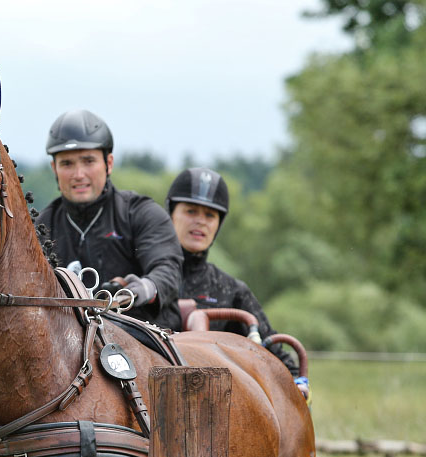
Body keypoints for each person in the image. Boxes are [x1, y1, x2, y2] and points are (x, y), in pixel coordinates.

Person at [35, 109, 183, 330]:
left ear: (109, 163)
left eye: (88, 161)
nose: (78, 174)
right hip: (70, 350)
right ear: (54, 168)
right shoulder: (42, 228)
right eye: (67, 164)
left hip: (144, 339)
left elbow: (168, 269)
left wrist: (145, 287)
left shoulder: (142, 213)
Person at [167, 168, 306, 390]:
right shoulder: (144, 278)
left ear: (218, 224)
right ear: (171, 214)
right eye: (191, 211)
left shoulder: (230, 290)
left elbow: (273, 352)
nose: (201, 222)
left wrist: (297, 381)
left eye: (210, 215)